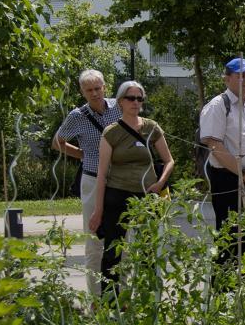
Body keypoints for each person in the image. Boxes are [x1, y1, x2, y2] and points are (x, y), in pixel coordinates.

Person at [86, 80, 173, 287]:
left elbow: (169, 160)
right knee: (113, 250)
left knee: (148, 249)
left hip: (147, 196)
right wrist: (98, 210)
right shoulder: (111, 132)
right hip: (118, 194)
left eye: (139, 98)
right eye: (130, 98)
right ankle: (111, 302)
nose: (135, 102)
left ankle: (149, 298)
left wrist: (160, 183)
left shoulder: (151, 127)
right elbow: (102, 173)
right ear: (120, 102)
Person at [198, 57, 245, 258]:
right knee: (230, 240)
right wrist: (242, 173)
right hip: (229, 179)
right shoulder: (219, 105)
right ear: (227, 78)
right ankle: (224, 289)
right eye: (241, 76)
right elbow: (215, 145)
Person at [51, 70, 118, 287]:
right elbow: (57, 142)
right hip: (92, 178)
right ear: (82, 92)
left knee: (123, 238)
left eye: (98, 88)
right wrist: (83, 154)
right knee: (94, 239)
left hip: (120, 179)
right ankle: (95, 299)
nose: (95, 93)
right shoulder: (77, 116)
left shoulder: (119, 107)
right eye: (89, 90)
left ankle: (122, 297)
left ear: (104, 87)